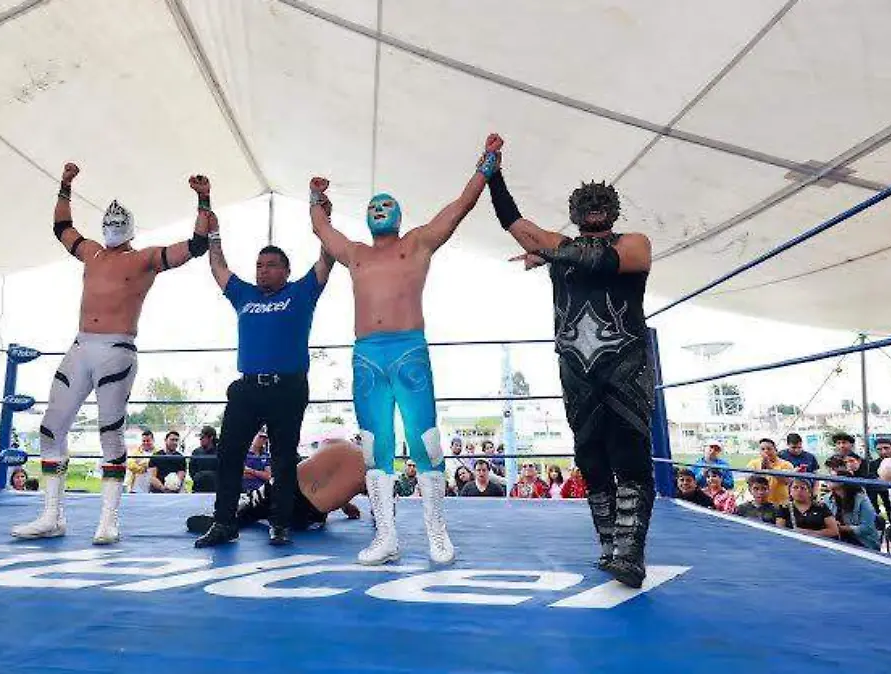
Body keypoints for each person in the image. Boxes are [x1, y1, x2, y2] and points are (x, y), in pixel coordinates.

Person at [308, 136, 497, 565]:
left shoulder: (417, 243)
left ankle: (437, 532)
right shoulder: (355, 253)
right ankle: (386, 536)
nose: (379, 209)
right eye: (373, 206)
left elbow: (459, 207)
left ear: (398, 214)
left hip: (408, 350)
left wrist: (485, 166)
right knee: (374, 447)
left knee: (426, 441)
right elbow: (322, 230)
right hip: (367, 356)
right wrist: (317, 197)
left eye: (386, 205)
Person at [13, 165, 211, 544]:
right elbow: (62, 228)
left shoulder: (145, 258)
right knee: (51, 427)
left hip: (116, 349)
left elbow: (195, 246)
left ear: (130, 228)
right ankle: (52, 515)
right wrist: (65, 186)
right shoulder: (93, 253)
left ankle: (108, 520)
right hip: (81, 345)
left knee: (110, 434)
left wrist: (204, 199)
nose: (112, 222)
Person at [489, 139, 655, 588]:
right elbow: (516, 224)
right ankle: (610, 544)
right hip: (577, 368)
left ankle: (631, 552)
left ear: (614, 207)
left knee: (630, 453)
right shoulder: (558, 248)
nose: (595, 206)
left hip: (625, 364)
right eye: (587, 200)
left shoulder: (635, 243)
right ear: (575, 209)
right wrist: (493, 174)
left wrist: (549, 250)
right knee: (590, 457)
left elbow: (601, 259)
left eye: (602, 200)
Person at [194, 175, 334, 549]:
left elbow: (328, 257)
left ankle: (280, 523)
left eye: (271, 265)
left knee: (284, 459)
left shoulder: (302, 292)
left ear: (286, 270)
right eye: (259, 265)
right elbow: (218, 266)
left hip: (288, 387)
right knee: (228, 453)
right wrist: (212, 226)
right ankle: (224, 523)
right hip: (248, 388)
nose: (262, 270)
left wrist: (322, 210)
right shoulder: (244, 295)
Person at [186, 439, 363, 535]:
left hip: (288, 487)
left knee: (253, 504)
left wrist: (344, 502)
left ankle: (228, 519)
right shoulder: (368, 472)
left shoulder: (337, 444)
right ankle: (257, 516)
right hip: (312, 515)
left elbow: (322, 471)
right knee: (266, 507)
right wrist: (344, 501)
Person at [825, 471, 880, 549]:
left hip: (862, 542)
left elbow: (867, 528)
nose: (829, 479)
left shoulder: (862, 500)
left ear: (843, 482)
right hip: (837, 539)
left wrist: (842, 528)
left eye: (833, 476)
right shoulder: (828, 498)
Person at [747, 438, 794, 507]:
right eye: (763, 449)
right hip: (760, 504)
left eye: (769, 449)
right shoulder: (753, 463)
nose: (766, 451)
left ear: (776, 450)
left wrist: (770, 468)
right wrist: (762, 470)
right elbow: (749, 481)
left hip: (781, 504)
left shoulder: (786, 464)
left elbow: (787, 481)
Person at [866, 437, 891, 523]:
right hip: (885, 494)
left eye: (886, 448)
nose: (883, 452)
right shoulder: (873, 464)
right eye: (879, 449)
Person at [188, 426, 220, 493]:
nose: (200, 439)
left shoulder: (220, 452)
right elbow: (192, 471)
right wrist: (198, 477)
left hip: (216, 489)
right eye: (200, 437)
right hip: (198, 488)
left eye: (203, 437)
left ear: (211, 438)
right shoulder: (196, 452)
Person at [242, 429, 272, 493]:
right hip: (243, 489)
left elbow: (268, 476)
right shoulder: (243, 453)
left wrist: (250, 470)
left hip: (260, 491)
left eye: (265, 438)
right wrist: (260, 474)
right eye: (260, 437)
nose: (262, 440)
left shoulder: (266, 456)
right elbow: (242, 473)